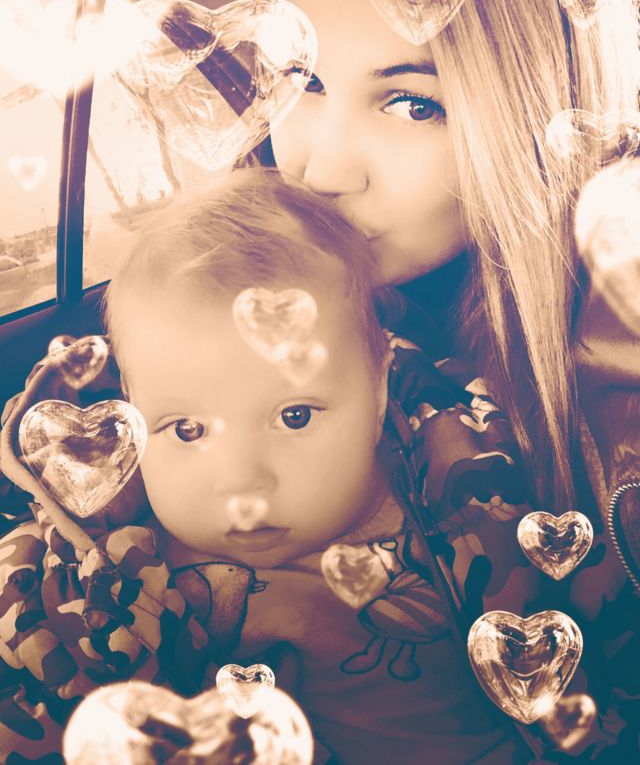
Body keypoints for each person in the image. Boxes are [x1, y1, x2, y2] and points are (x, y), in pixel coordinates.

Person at [256, 0, 640, 758]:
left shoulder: (619, 355)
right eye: (302, 80)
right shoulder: (292, 293)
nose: (320, 169)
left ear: (540, 102)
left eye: (411, 103)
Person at [0, 168, 545, 763]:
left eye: (294, 416)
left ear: (379, 392)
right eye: (187, 429)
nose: (241, 481)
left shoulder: (470, 479)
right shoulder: (117, 579)